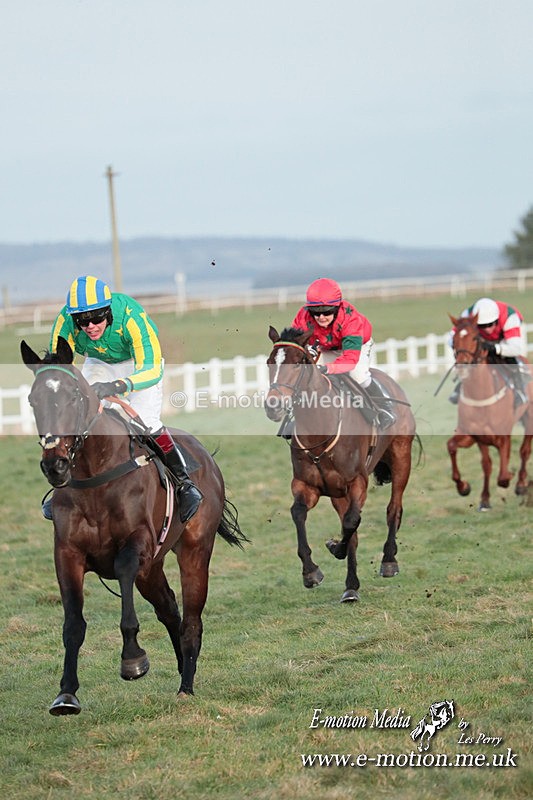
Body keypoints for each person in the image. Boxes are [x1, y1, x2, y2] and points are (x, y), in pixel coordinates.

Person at [43, 275, 202, 522]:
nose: (90, 327)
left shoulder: (131, 317)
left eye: (96, 318)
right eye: (82, 321)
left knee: (145, 421)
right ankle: (63, 488)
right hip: (99, 363)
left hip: (138, 367)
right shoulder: (64, 322)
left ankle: (184, 482)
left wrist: (119, 385)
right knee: (80, 416)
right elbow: (58, 366)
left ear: (108, 311)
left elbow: (152, 370)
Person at [279, 277, 395, 434]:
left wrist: (328, 368)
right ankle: (297, 419)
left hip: (355, 347)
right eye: (316, 313)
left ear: (337, 308)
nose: (321, 317)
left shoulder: (350, 319)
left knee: (358, 374)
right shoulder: (303, 317)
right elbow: (295, 346)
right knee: (304, 374)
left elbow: (349, 360)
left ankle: (384, 408)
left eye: (327, 312)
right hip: (325, 346)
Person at [449, 296, 529, 406]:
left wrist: (495, 348)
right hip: (478, 338)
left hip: (503, 338)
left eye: (490, 324)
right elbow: (452, 337)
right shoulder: (467, 315)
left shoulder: (510, 317)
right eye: (482, 325)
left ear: (496, 320)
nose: (487, 329)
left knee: (508, 357)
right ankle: (460, 386)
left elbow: (515, 348)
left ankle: (520, 389)